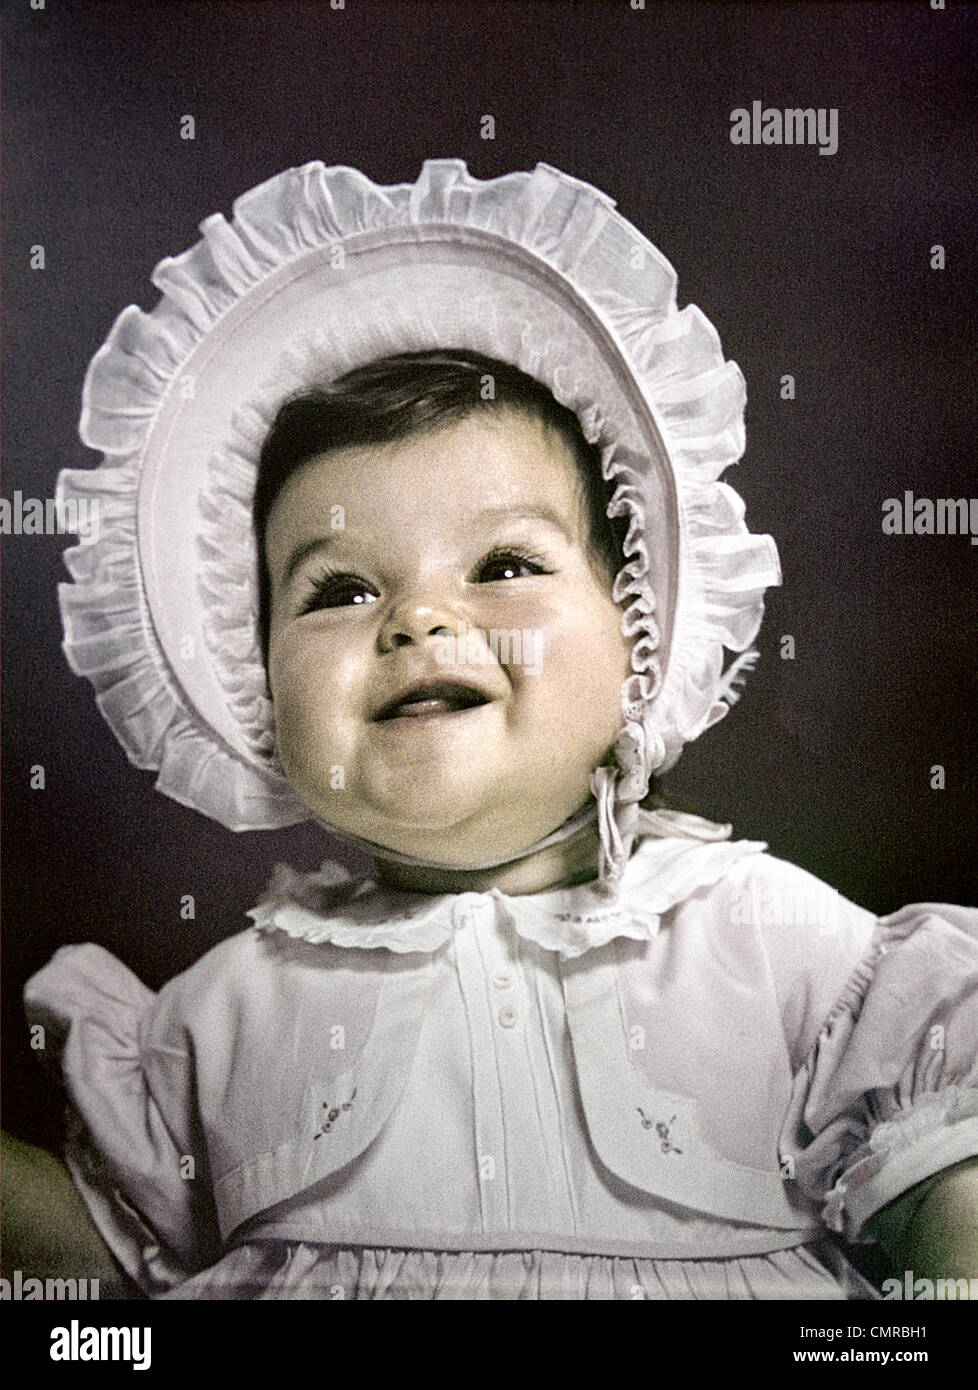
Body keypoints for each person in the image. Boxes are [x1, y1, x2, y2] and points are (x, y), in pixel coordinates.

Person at [5, 160, 977, 1300]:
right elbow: (94, 1293)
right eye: (338, 590)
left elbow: (947, 1193)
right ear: (250, 682)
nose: (419, 617)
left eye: (505, 565)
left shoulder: (781, 950)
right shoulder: (219, 1014)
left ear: (644, 634)